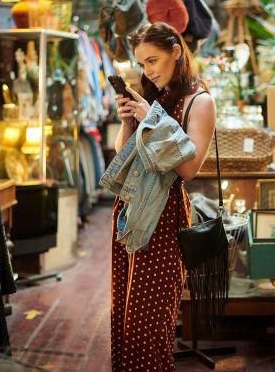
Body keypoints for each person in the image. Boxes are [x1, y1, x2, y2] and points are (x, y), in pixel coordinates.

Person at [111, 22, 216, 371]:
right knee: (125, 316)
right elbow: (122, 155)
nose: (148, 71)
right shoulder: (153, 96)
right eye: (142, 64)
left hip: (163, 214)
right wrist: (129, 120)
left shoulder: (199, 101)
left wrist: (150, 119)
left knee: (149, 324)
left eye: (153, 60)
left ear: (176, 52)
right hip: (129, 207)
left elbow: (189, 169)